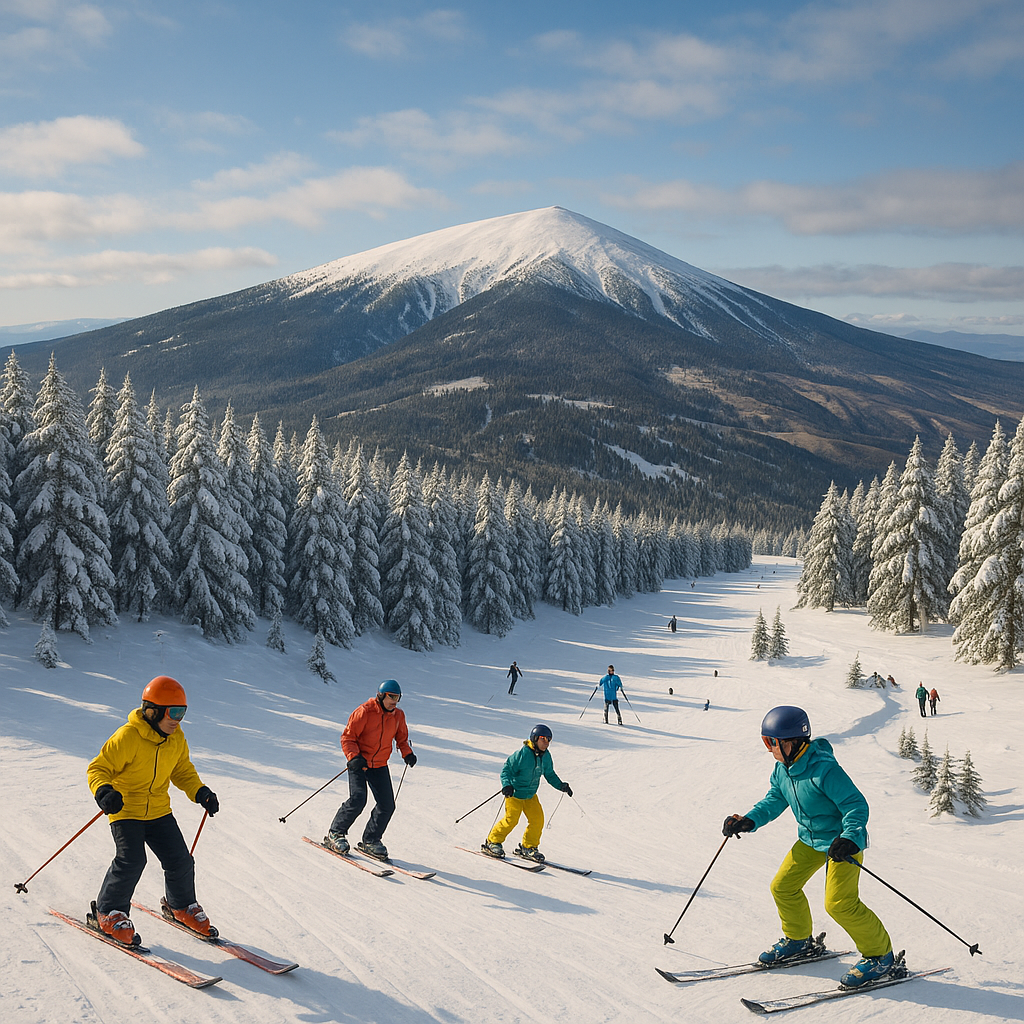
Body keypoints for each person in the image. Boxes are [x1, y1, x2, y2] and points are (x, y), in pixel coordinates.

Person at [722, 706, 894, 989]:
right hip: (810, 840)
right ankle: (798, 940)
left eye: (771, 742)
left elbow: (855, 805)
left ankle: (880, 957)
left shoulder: (825, 770)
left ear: (791, 742)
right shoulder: (783, 769)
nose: (769, 749)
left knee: (839, 903)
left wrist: (850, 837)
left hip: (841, 844)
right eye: (766, 741)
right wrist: (749, 820)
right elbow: (775, 798)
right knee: (783, 887)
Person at [86, 676, 219, 947]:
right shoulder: (128, 736)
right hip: (126, 811)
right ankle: (109, 912)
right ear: (153, 711)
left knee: (180, 860)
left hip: (159, 811)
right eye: (173, 713)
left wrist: (200, 792)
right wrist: (104, 792)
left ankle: (181, 906)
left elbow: (182, 771)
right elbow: (98, 768)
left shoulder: (176, 739)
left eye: (182, 713)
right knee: (132, 860)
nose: (177, 720)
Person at [325, 680, 416, 861]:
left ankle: (371, 840)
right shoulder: (365, 711)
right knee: (358, 799)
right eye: (391, 697)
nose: (394, 701)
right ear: (381, 695)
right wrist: (353, 757)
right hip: (360, 763)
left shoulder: (398, 715)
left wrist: (407, 753)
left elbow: (402, 738)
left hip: (380, 765)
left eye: (398, 698)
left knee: (387, 805)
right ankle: (335, 833)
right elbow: (348, 737)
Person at [481, 724, 571, 861]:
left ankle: (528, 847)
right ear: (534, 738)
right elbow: (506, 770)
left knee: (538, 820)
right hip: (515, 794)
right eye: (543, 738)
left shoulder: (546, 756)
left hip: (530, 795)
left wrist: (561, 785)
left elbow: (549, 774)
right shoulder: (522, 754)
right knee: (511, 820)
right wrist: (507, 785)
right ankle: (493, 842)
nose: (546, 742)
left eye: (549, 739)